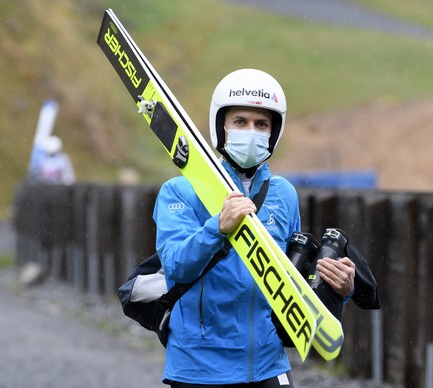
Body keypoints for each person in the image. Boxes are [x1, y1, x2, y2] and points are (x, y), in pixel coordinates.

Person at [153, 69, 358, 387]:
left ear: (273, 132)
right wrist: (218, 228)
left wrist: (338, 289)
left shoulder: (283, 194)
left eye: (261, 124)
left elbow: (292, 280)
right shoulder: (180, 191)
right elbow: (176, 266)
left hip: (266, 362)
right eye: (240, 122)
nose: (251, 132)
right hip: (198, 366)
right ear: (221, 126)